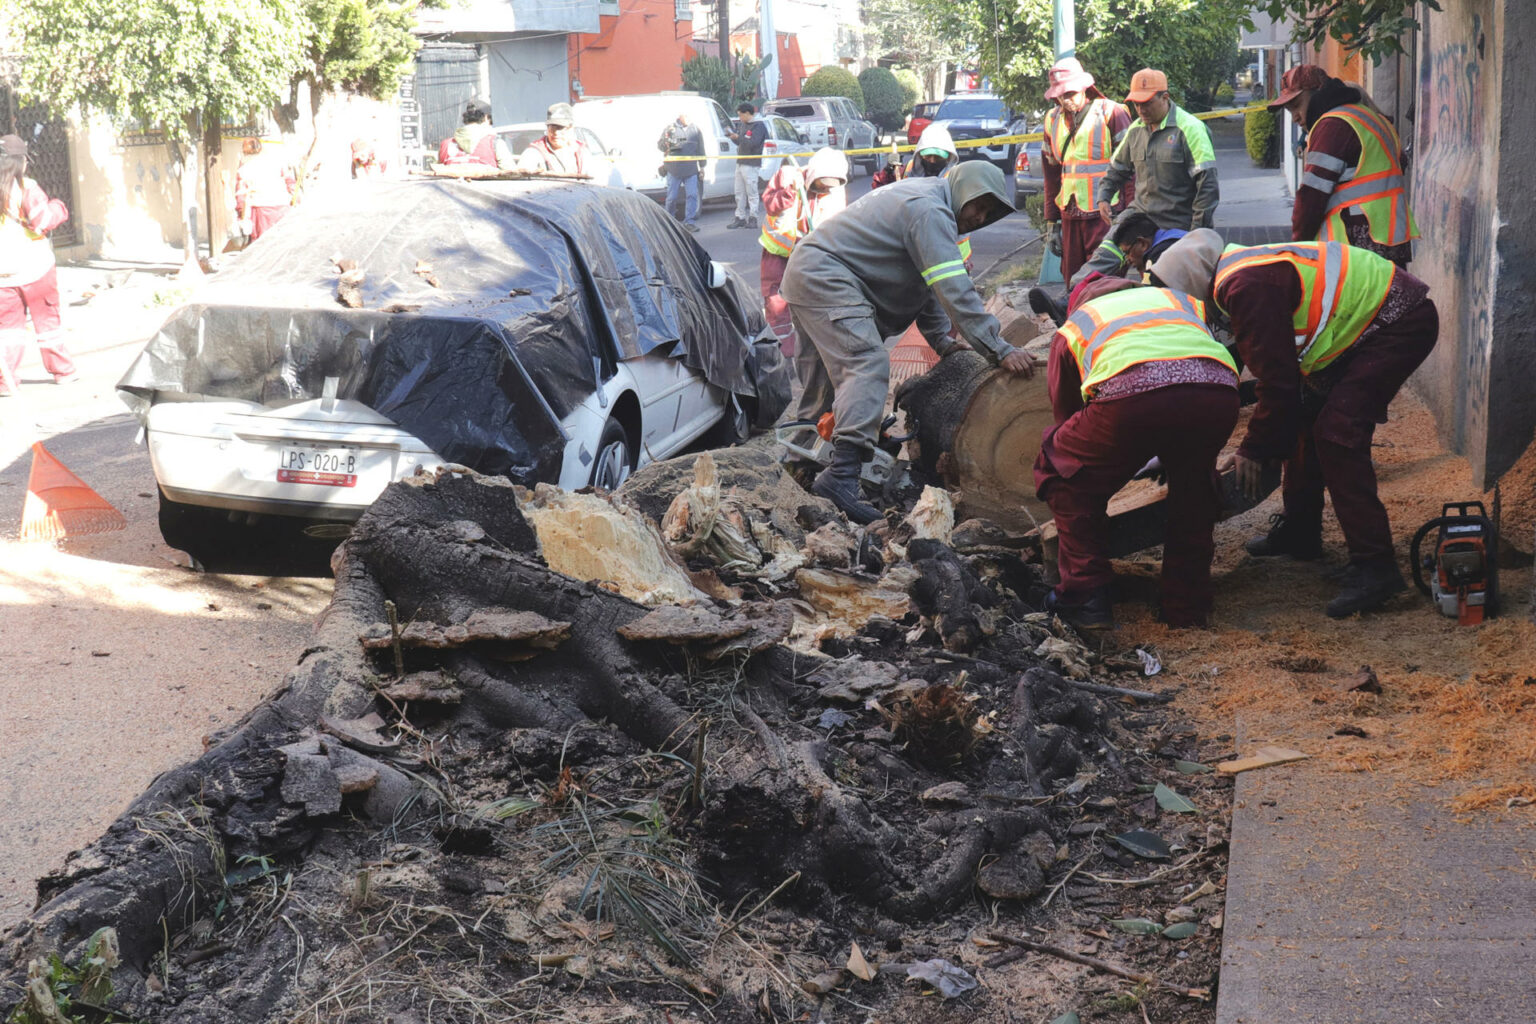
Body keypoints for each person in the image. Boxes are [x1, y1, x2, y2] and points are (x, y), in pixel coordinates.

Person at [1149, 230, 1439, 617]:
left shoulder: (1244, 285)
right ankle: (1302, 533)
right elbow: (1250, 373)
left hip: (1396, 323)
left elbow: (1278, 382)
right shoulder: (1241, 272)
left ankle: (1376, 567)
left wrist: (1254, 448)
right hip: (1372, 325)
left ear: (1190, 288)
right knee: (1306, 423)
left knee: (1337, 435)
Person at [780, 161, 1034, 523]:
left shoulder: (927, 203)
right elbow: (953, 289)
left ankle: (798, 469)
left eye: (990, 213)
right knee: (865, 364)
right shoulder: (929, 210)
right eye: (979, 205)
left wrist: (942, 343)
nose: (980, 217)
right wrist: (1000, 349)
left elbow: (927, 285)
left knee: (821, 388)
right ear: (962, 188)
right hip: (825, 275)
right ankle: (841, 477)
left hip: (808, 272)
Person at [1035, 285, 1240, 629]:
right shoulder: (1176, 300)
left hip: (1131, 399)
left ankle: (1085, 596)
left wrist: (1111, 460)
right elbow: (1187, 373)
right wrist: (1163, 446)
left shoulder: (1076, 325)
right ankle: (1186, 607)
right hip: (1218, 392)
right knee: (1194, 486)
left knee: (1060, 467)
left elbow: (1067, 417)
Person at [1269, 64, 1417, 266]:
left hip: (1356, 246)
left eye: (1297, 105)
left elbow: (1311, 197)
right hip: (1388, 242)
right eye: (1289, 110)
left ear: (1317, 92)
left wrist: (1298, 248)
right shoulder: (1371, 119)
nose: (1294, 117)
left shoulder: (1333, 125)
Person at [1040, 57, 1135, 283]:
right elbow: (1051, 176)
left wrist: (1131, 214)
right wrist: (1052, 224)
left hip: (1107, 215)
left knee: (1103, 280)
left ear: (1084, 88)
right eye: (1060, 96)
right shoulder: (1052, 120)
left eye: (1070, 93)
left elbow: (1132, 170)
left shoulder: (1112, 113)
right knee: (1072, 280)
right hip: (1070, 214)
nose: (1065, 100)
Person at [1096, 68, 1218, 232]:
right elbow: (1117, 169)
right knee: (1105, 253)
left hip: (1178, 225)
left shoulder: (1190, 129)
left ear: (1165, 98)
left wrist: (1196, 233)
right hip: (1140, 218)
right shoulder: (1135, 130)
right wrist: (1104, 197)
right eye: (1136, 104)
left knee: (1164, 257)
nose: (1141, 110)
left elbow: (1207, 186)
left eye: (1147, 103)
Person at [0, 134, 75, 395]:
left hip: (3, 277)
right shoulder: (26, 187)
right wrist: (58, 207)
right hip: (35, 268)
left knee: (8, 330)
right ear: (21, 162)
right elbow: (42, 220)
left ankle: (6, 381)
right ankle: (62, 371)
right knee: (47, 323)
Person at [760, 148, 850, 356]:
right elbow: (770, 204)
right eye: (822, 184)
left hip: (811, 255)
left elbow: (838, 226)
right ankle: (783, 355)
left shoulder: (835, 191)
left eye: (830, 186)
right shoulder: (788, 176)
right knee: (777, 305)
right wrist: (788, 193)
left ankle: (813, 351)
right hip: (779, 255)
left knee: (813, 301)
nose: (825, 189)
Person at [1029, 212, 1183, 325]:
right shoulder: (1171, 238)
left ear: (1142, 244)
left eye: (1127, 253)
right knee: (1106, 256)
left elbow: (1152, 296)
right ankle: (1071, 300)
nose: (1127, 260)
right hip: (1143, 205)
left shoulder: (1158, 258)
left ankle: (1074, 304)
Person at [234, 138, 296, 242]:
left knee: (263, 245)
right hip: (282, 207)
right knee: (284, 242)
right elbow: (290, 182)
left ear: (244, 151)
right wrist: (294, 198)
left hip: (261, 211)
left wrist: (241, 215)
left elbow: (240, 196)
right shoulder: (275, 162)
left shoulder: (243, 169)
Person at [871, 123, 957, 188]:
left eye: (938, 157)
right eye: (927, 156)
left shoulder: (955, 178)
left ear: (949, 157)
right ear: (919, 155)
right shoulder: (907, 172)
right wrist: (888, 170)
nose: (932, 160)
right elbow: (879, 189)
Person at [516, 103, 590, 178]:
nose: (556, 133)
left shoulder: (582, 152)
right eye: (552, 128)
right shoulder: (533, 153)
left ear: (571, 128)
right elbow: (521, 181)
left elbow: (593, 181)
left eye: (560, 128)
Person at [658, 113, 704, 233]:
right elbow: (660, 145)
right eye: (686, 117)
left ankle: (689, 222)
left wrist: (702, 167)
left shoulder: (696, 130)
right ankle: (670, 220)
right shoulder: (670, 129)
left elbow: (701, 149)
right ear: (680, 117)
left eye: (690, 117)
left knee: (692, 195)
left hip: (691, 169)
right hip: (674, 169)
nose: (689, 119)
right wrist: (668, 143)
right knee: (672, 197)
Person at [437, 99, 514, 170]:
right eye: (491, 121)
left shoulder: (445, 145)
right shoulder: (495, 143)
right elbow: (511, 173)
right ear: (487, 118)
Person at [726, 102, 768, 228]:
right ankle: (740, 216)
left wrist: (740, 137)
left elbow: (753, 143)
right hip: (741, 161)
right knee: (739, 191)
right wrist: (734, 137)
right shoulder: (743, 125)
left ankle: (753, 217)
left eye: (740, 115)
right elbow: (741, 142)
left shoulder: (758, 126)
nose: (740, 118)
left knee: (752, 191)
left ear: (747, 113)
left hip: (751, 163)